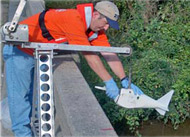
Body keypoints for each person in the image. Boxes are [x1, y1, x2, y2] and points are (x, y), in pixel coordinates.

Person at [3, 1, 143, 137]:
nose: (106, 28)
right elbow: (89, 55)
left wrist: (124, 80)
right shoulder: (73, 19)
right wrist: (109, 81)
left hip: (35, 51)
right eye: (106, 23)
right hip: (19, 51)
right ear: (95, 15)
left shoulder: (93, 28)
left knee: (30, 98)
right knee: (20, 102)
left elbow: (108, 53)